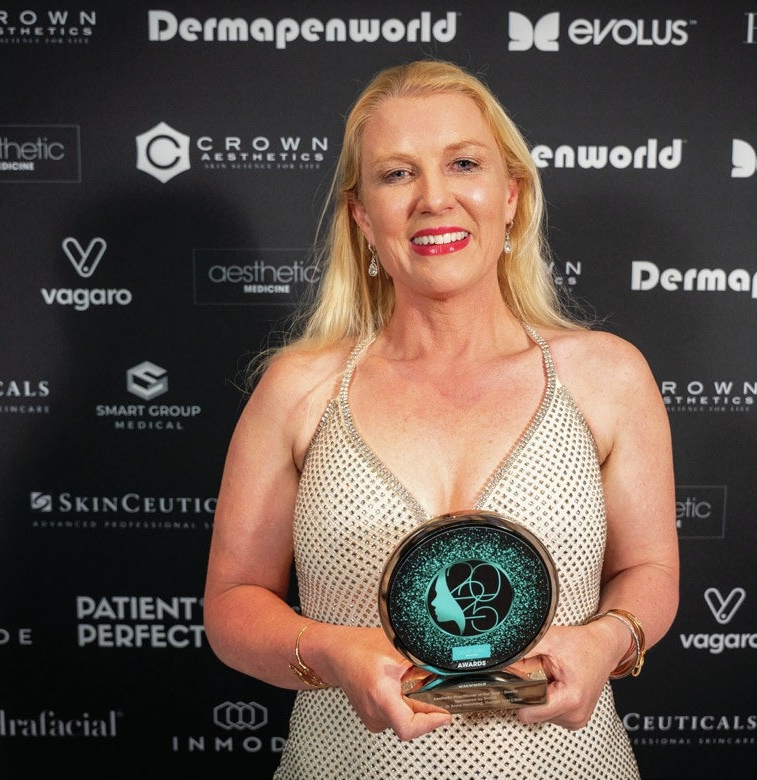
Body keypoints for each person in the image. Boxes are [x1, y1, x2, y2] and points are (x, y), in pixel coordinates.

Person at [203, 59, 679, 779]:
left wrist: (607, 641)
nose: (433, 198)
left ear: (511, 194)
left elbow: (649, 570)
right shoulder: (299, 389)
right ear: (362, 217)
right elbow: (233, 603)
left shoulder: (607, 377)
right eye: (397, 174)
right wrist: (332, 652)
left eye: (463, 163)